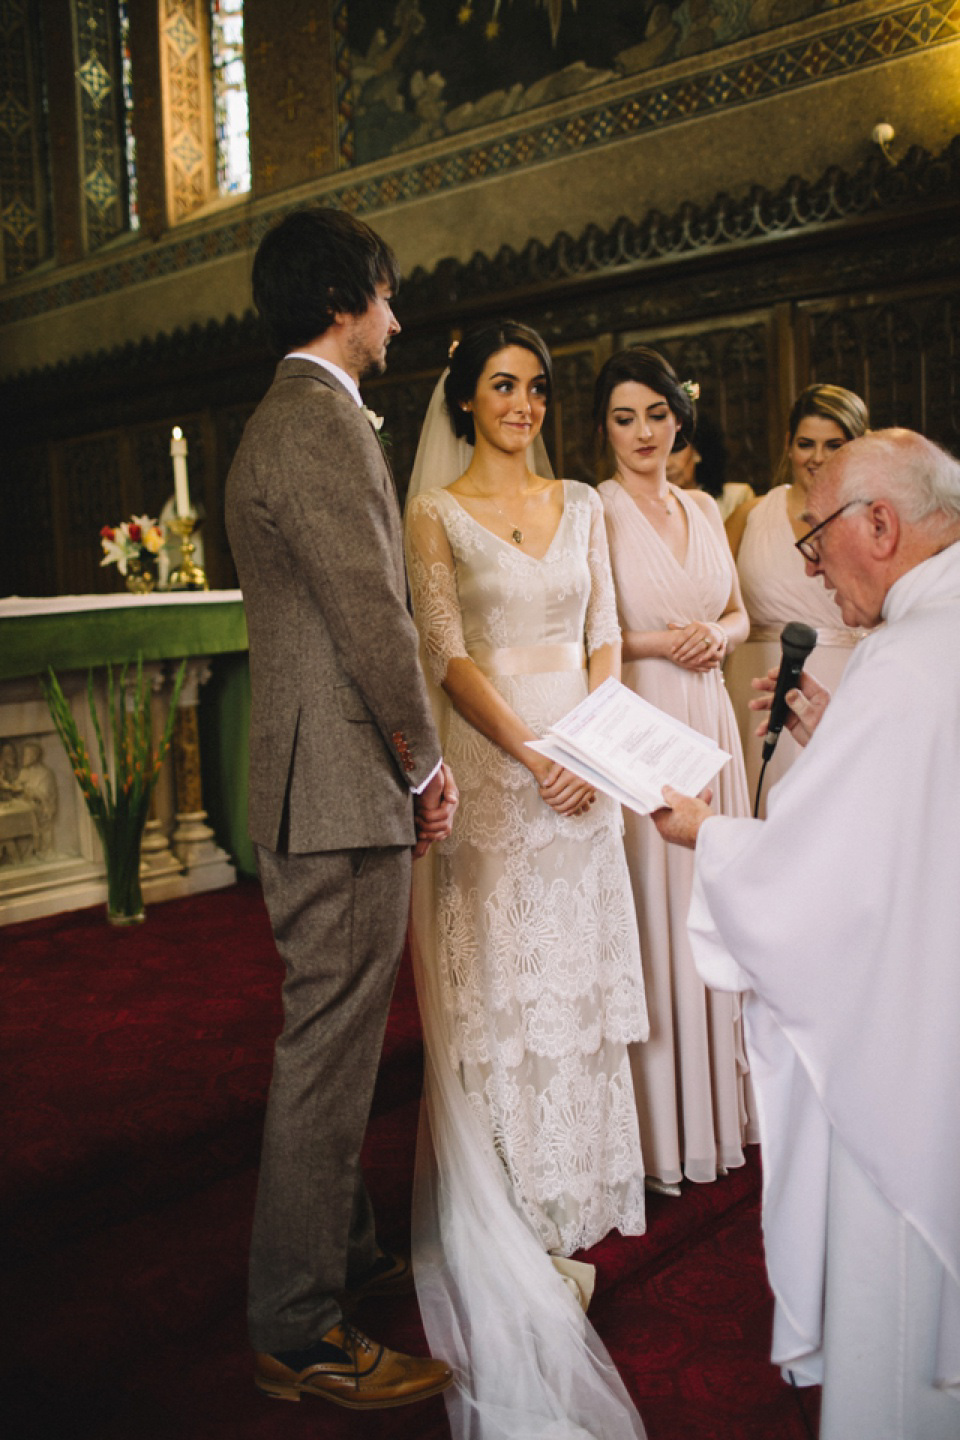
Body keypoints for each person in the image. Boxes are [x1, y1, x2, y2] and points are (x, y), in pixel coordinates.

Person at [653, 428, 960, 1440]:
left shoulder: (911, 658)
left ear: (882, 523)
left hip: (921, 1057)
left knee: (907, 1301)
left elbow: (826, 889)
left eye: (819, 536)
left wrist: (710, 833)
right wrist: (844, 739)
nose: (811, 565)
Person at [224, 206, 457, 1411]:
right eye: (388, 293)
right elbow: (373, 617)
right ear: (345, 299)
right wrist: (423, 766)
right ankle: (300, 1327)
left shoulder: (294, 417)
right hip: (342, 786)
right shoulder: (314, 424)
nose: (397, 317)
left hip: (318, 779)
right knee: (327, 1049)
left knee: (339, 1037)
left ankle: (341, 1247)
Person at [405, 320, 648, 1438]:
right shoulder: (433, 512)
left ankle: (570, 1208)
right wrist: (529, 753)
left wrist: (591, 746)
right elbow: (446, 654)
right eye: (504, 387)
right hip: (502, 775)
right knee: (507, 987)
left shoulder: (585, 505)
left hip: (586, 766)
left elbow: (605, 632)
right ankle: (511, 1219)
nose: (526, 404)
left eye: (539, 388)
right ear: (466, 399)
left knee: (576, 986)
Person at [595, 347, 755, 1194]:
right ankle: (664, 1133)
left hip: (710, 713)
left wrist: (721, 638)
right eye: (625, 418)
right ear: (604, 428)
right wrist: (667, 643)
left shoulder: (699, 505)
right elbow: (587, 635)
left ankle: (721, 1115)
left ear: (678, 418)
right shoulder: (596, 511)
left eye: (656, 414)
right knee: (660, 910)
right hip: (644, 716)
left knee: (715, 901)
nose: (644, 432)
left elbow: (737, 611)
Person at [724, 383, 869, 814]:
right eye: (806, 444)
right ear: (788, 445)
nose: (817, 457)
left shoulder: (874, 519)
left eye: (834, 445)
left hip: (842, 689)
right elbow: (709, 594)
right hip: (752, 692)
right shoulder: (750, 514)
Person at [666, 410, 754, 521]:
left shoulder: (736, 497)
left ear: (697, 452)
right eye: (661, 454)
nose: (667, 464)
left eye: (675, 451)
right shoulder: (653, 506)